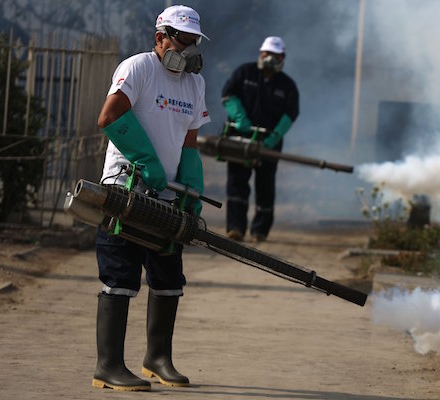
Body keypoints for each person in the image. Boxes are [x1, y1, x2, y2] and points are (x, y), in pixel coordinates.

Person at [92, 4, 210, 391]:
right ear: (160, 38)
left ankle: (157, 360)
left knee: (169, 276)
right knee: (121, 274)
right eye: (183, 40)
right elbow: (110, 117)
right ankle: (108, 366)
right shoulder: (139, 67)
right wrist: (145, 160)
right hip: (126, 189)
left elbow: (190, 141)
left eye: (194, 42)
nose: (189, 49)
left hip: (166, 196)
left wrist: (192, 187)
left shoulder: (194, 83)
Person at [221, 36, 299, 242]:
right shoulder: (244, 72)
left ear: (283, 58)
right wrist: (239, 116)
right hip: (240, 140)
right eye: (266, 54)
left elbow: (291, 113)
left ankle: (260, 231)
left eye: (275, 55)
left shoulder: (287, 85)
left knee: (265, 187)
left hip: (268, 145)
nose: (270, 58)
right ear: (260, 53)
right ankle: (235, 228)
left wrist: (274, 136)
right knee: (237, 185)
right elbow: (228, 94)